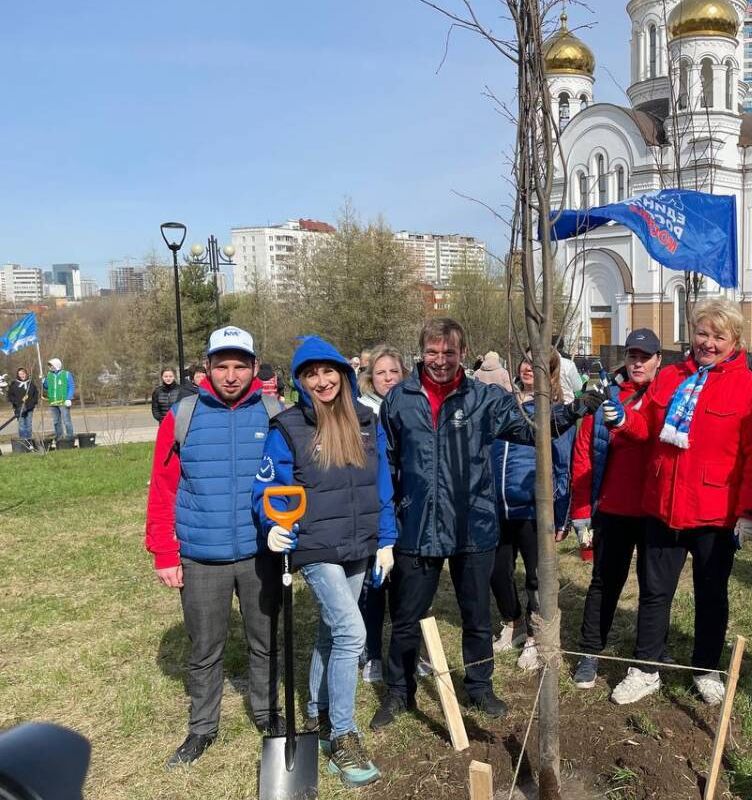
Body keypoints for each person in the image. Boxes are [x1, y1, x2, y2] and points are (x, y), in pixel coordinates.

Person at [370, 319, 601, 728]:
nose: (440, 361)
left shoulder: (483, 399)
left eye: (449, 352)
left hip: (473, 524)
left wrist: (576, 409)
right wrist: (387, 524)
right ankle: (399, 692)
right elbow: (386, 464)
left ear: (463, 353)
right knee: (406, 617)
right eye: (433, 352)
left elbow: (532, 429)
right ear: (420, 352)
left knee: (476, 615)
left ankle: (479, 686)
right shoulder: (399, 400)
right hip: (417, 525)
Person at [601, 300, 752, 706]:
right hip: (663, 505)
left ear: (734, 341)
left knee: (711, 593)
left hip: (716, 511)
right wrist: (626, 422)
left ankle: (705, 667)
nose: (708, 343)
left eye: (718, 336)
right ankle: (645, 667)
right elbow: (651, 428)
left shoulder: (750, 388)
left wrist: (751, 512)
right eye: (702, 333)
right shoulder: (671, 377)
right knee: (653, 591)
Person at [252, 335, 395, 788]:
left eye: (328, 371)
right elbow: (267, 487)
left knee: (331, 630)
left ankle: (317, 709)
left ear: (344, 373)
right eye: (310, 374)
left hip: (358, 542)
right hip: (313, 544)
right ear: (300, 380)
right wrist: (269, 523)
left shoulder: (367, 421)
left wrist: (386, 539)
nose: (321, 380)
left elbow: (383, 484)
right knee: (352, 632)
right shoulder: (289, 427)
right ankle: (343, 736)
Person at [144, 326, 284, 768]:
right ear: (206, 368)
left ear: (254, 368)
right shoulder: (181, 416)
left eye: (239, 365)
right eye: (221, 366)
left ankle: (267, 714)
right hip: (201, 555)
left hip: (261, 553)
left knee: (266, 642)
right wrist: (165, 552)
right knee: (206, 647)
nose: (230, 375)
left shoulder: (274, 411)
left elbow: (292, 480)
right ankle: (203, 727)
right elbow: (163, 489)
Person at [570, 328, 662, 689]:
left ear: (659, 360)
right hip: (614, 507)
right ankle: (590, 651)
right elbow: (583, 454)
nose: (638, 363)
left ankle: (649, 656)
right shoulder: (607, 396)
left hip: (655, 510)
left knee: (654, 587)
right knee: (605, 582)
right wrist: (581, 512)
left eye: (645, 356)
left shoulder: (669, 396)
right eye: (632, 356)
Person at [489, 350, 576, 670]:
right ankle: (512, 622)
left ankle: (535, 639)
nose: (529, 368)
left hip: (533, 508)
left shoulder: (554, 413)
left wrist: (561, 514)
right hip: (498, 506)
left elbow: (563, 464)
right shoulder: (503, 406)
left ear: (551, 373)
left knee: (536, 578)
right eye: (526, 362)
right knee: (496, 572)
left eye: (539, 365)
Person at [356, 344, 407, 683]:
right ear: (370, 377)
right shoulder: (361, 411)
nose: (388, 378)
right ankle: (372, 652)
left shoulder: (412, 405)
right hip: (374, 504)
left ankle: (407, 654)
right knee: (374, 586)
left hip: (408, 503)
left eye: (394, 372)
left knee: (407, 588)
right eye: (381, 372)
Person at [43, 357, 75, 440]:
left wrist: (69, 398)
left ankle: (70, 438)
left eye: (51, 365)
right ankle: (59, 438)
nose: (50, 367)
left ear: (57, 365)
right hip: (53, 402)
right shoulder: (49, 375)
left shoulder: (66, 374)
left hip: (63, 402)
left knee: (66, 421)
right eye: (49, 366)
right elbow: (46, 387)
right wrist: (43, 381)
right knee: (56, 422)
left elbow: (71, 386)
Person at [6, 367, 39, 441]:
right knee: (21, 425)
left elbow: (35, 395)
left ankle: (29, 441)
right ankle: (24, 441)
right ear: (18, 375)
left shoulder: (31, 384)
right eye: (20, 374)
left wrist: (31, 405)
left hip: (29, 408)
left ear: (26, 374)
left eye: (23, 374)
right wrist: (18, 403)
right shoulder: (14, 384)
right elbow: (10, 396)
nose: (22, 375)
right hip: (18, 408)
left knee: (28, 425)